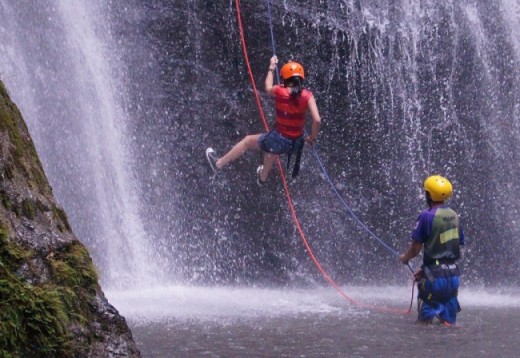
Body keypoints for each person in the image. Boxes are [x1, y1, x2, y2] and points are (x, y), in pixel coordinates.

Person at [206, 55, 321, 185]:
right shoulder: (307, 95)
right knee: (270, 147)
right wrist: (312, 138)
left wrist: (271, 67)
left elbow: (267, 87)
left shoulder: (280, 91)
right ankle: (262, 177)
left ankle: (218, 164)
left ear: (285, 78)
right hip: (295, 145)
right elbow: (317, 120)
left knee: (249, 141)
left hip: (280, 140)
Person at [400, 175, 465, 325]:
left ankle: (426, 348)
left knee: (424, 324)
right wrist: (424, 269)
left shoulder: (426, 216)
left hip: (434, 279)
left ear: (429, 195)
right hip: (453, 276)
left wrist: (405, 258)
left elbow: (416, 248)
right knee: (448, 324)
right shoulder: (454, 215)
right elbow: (451, 245)